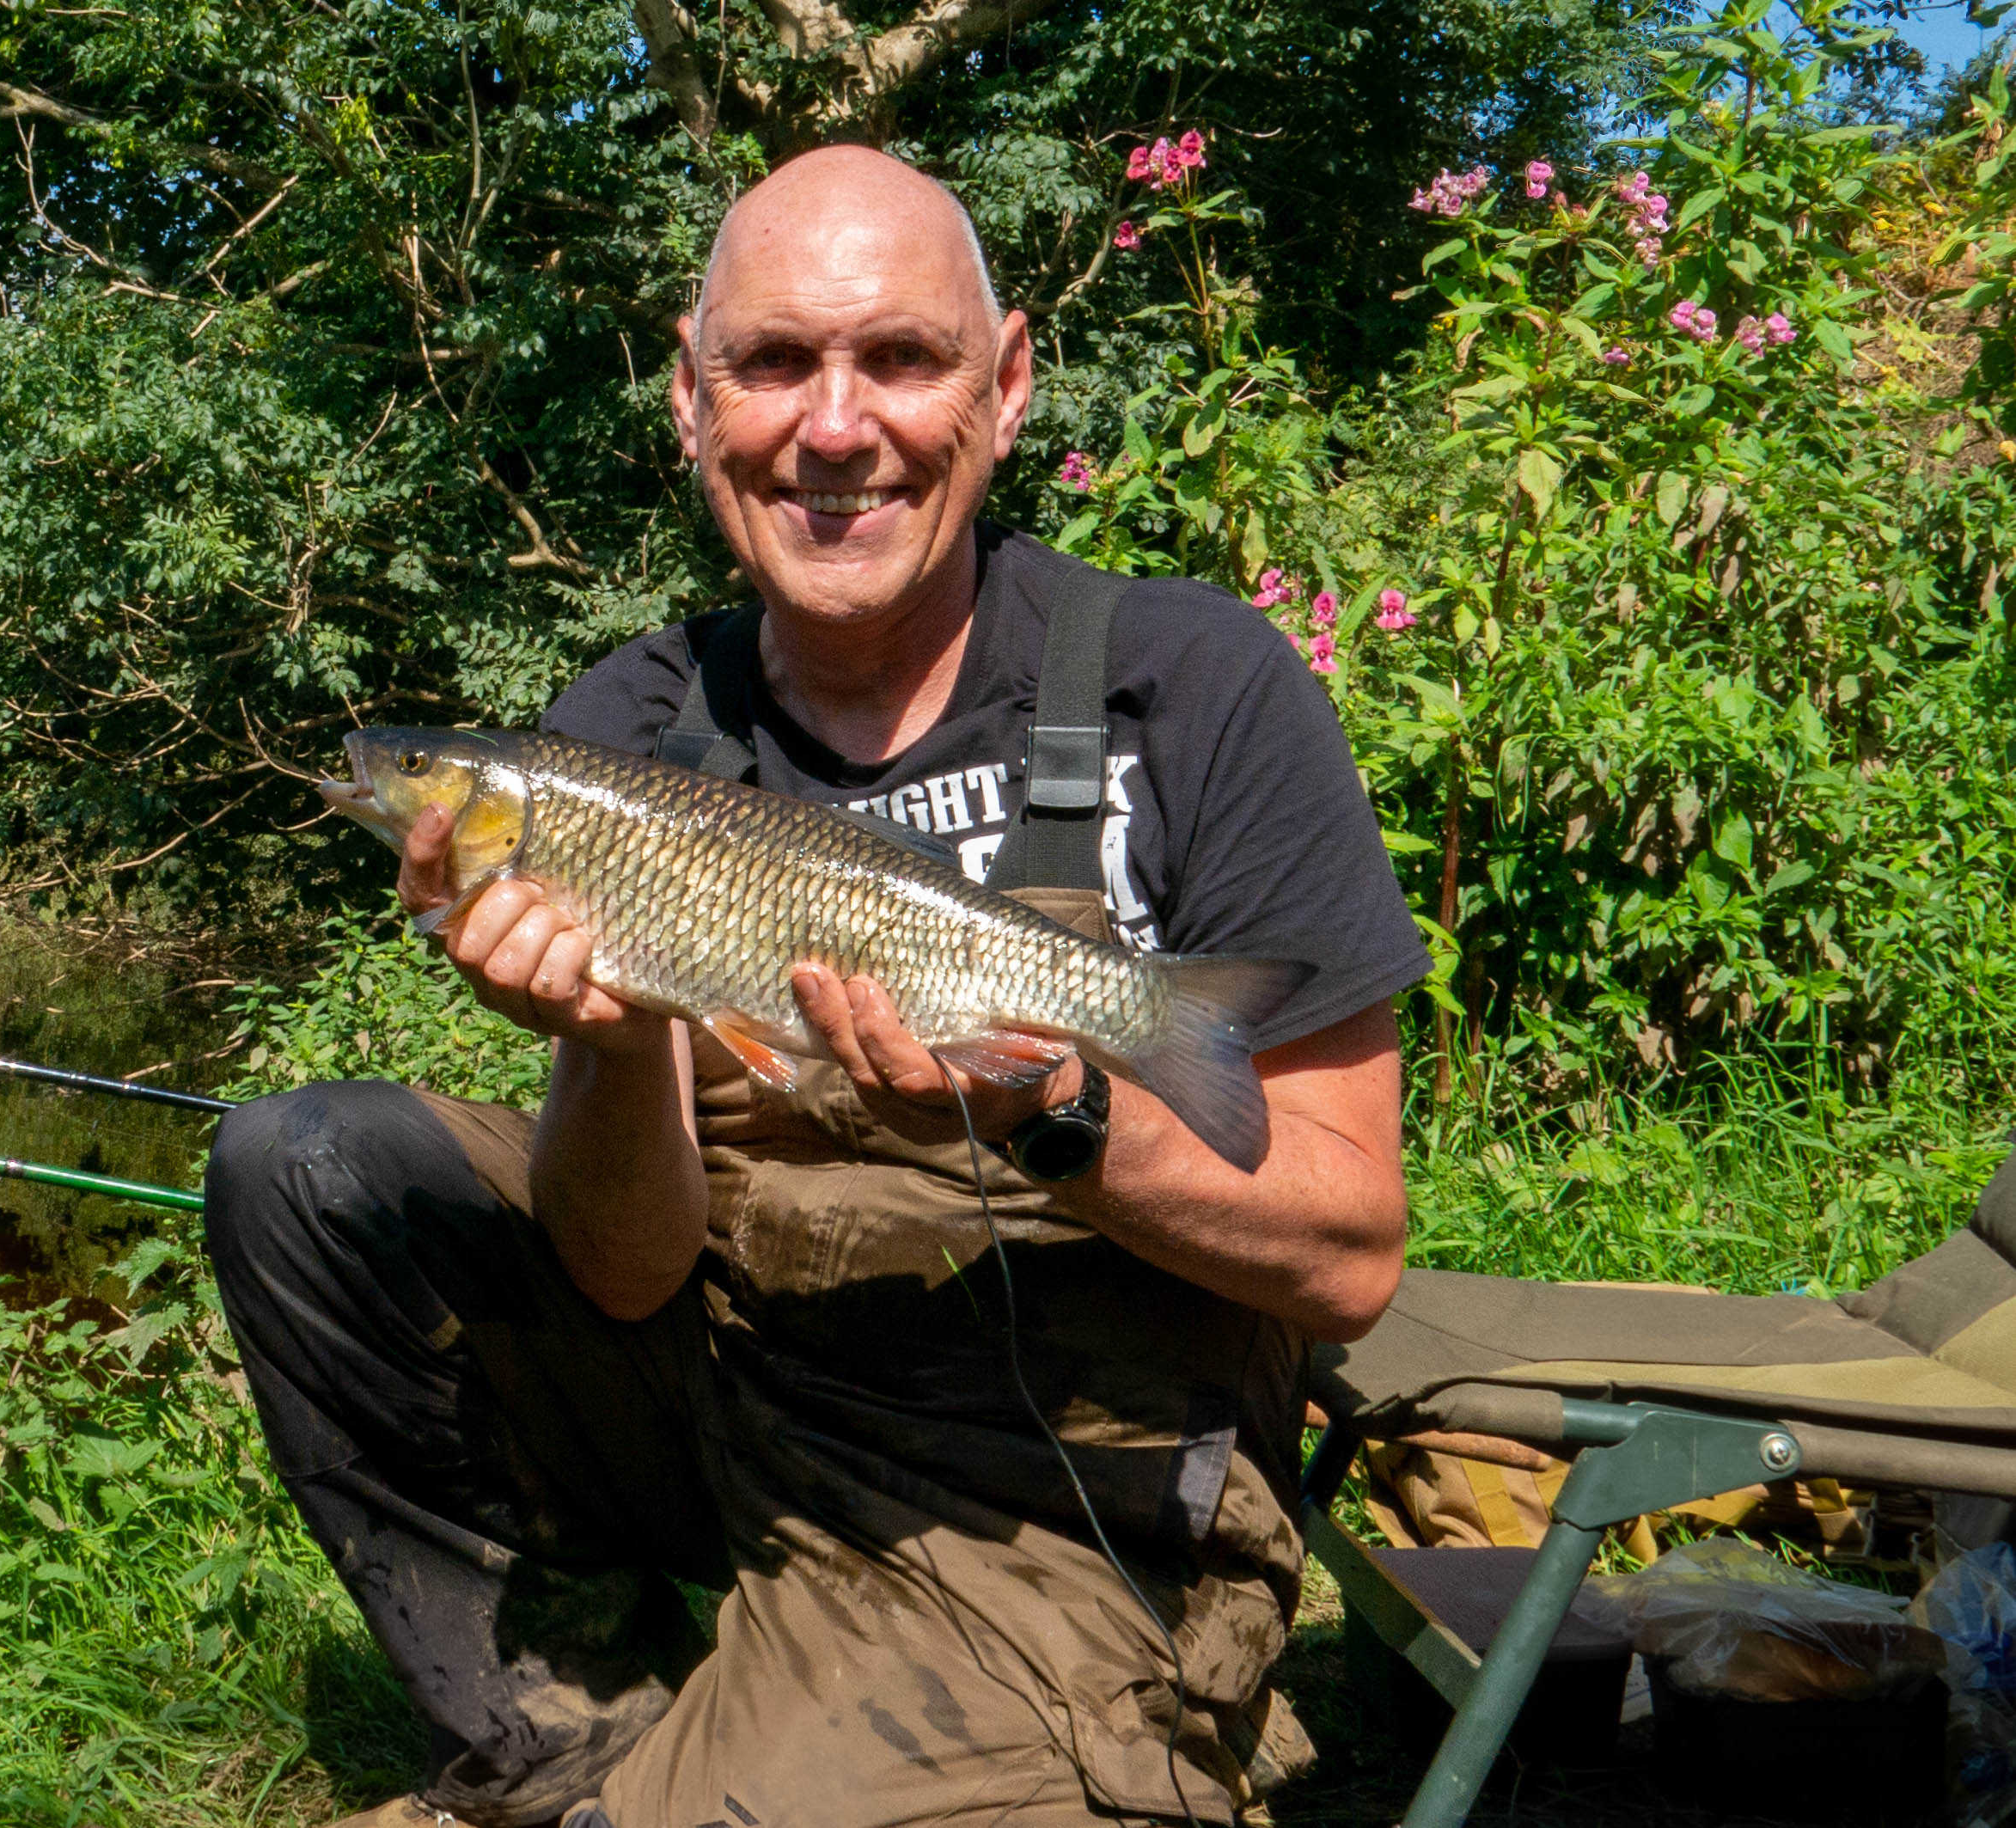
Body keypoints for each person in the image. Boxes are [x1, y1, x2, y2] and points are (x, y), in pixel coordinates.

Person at [205, 144, 1430, 1828]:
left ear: (1003, 391)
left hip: (1034, 1478)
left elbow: (1350, 1252)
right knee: (302, 1166)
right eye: (772, 363)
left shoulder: (1193, 687)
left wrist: (1057, 1106)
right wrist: (609, 1035)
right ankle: (565, 1723)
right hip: (729, 1368)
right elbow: (625, 1270)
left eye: (899, 360)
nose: (831, 424)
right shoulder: (628, 721)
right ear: (694, 403)